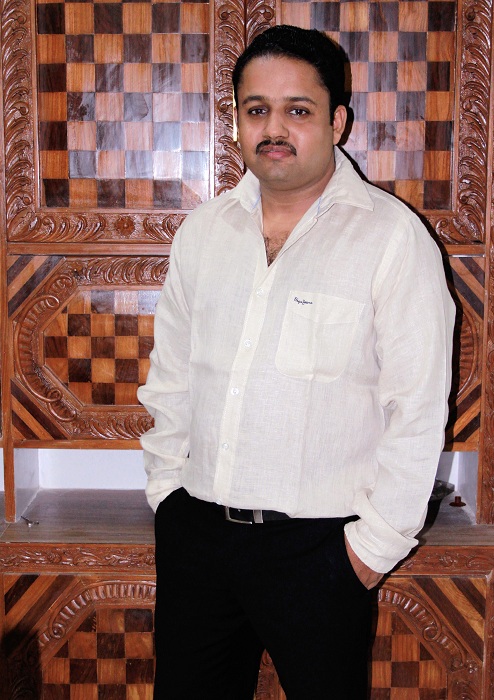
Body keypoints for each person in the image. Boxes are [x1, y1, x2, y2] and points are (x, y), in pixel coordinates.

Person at [138, 24, 455, 699]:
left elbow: (418, 407)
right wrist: (168, 498)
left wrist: (369, 552)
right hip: (198, 538)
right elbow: (171, 381)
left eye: (298, 110)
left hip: (322, 553)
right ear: (237, 122)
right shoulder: (203, 233)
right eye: (257, 110)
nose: (274, 129)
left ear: (337, 122)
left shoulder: (392, 239)